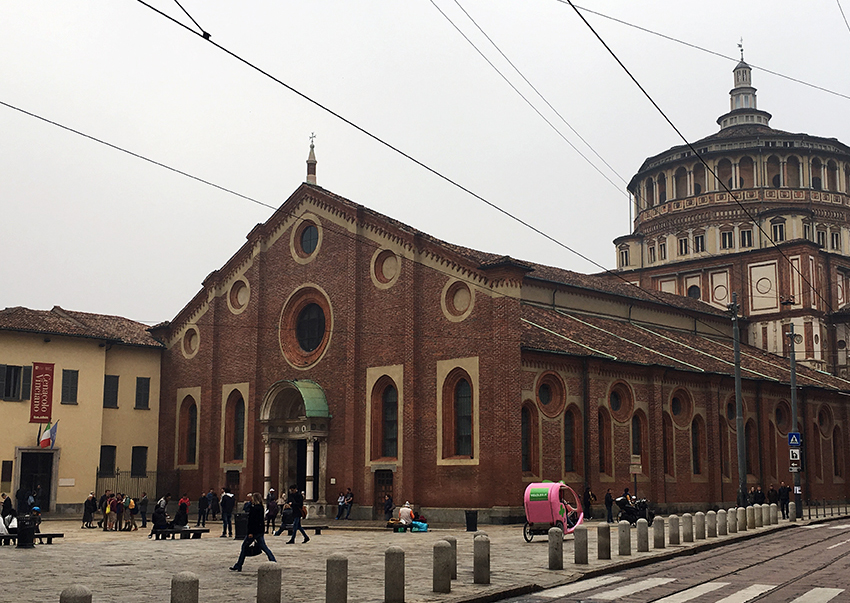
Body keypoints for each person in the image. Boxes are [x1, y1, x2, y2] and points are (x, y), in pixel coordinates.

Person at [230, 492, 276, 571]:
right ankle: (273, 561)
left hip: (253, 532)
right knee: (264, 547)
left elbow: (252, 521)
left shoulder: (254, 508)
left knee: (244, 546)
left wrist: (250, 532)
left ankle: (239, 565)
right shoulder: (261, 507)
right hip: (259, 531)